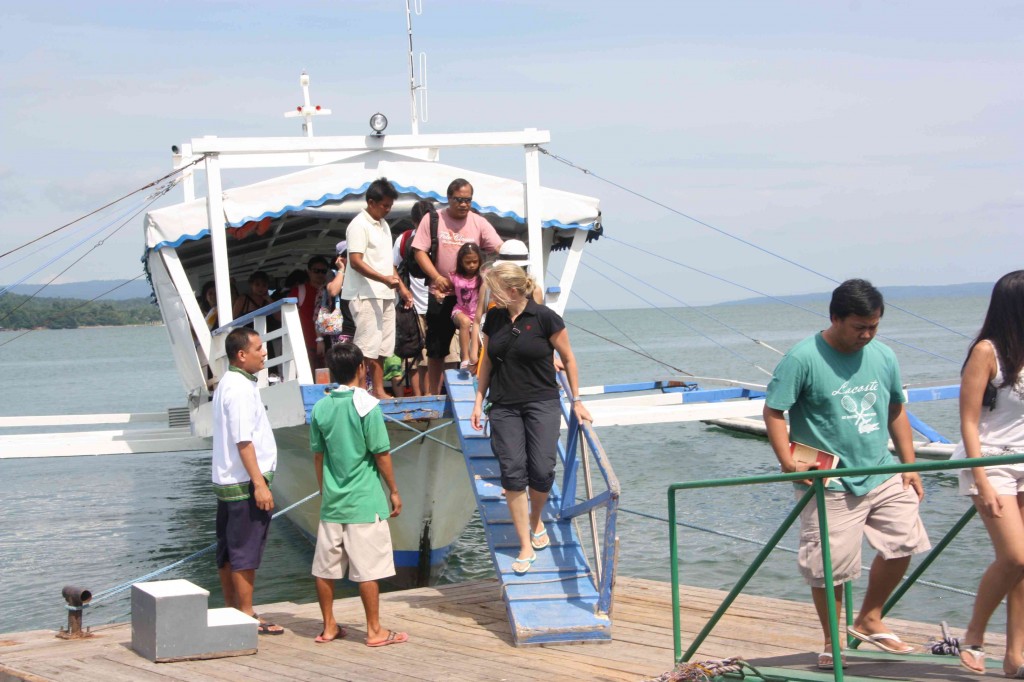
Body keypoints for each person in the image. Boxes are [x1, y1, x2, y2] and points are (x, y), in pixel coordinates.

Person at [763, 279, 930, 670]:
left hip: (881, 468)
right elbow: (774, 411)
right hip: (828, 476)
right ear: (835, 318)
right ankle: (832, 639)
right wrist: (788, 461)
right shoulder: (802, 358)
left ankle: (870, 617)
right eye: (859, 327)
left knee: (905, 541)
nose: (867, 335)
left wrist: (910, 464)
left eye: (874, 326)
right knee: (829, 567)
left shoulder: (884, 355)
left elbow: (894, 409)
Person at [469, 262, 591, 575]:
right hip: (504, 405)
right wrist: (478, 400)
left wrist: (576, 401)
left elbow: (568, 358)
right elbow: (487, 364)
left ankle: (536, 519)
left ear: (511, 290)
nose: (491, 297)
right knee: (512, 471)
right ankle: (525, 543)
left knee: (541, 469)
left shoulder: (545, 317)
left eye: (495, 290)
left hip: (542, 403)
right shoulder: (493, 319)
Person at [309, 342, 408, 647]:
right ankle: (375, 630)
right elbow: (381, 454)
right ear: (361, 368)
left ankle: (328, 627)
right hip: (364, 502)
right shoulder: (367, 406)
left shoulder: (320, 407)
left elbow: (318, 455)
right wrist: (393, 491)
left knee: (325, 569)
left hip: (333, 503)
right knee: (368, 570)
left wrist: (325, 490)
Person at [951, 271, 1024, 676]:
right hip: (989, 461)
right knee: (1015, 555)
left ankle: (1016, 656)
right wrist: (979, 478)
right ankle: (974, 636)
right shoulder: (987, 351)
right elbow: (967, 421)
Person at [211, 327, 283, 635]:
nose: (263, 353)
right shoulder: (239, 388)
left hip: (228, 482)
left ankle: (232, 609)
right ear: (242, 355)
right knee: (245, 551)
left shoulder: (229, 382)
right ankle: (246, 613)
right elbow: (244, 441)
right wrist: (259, 483)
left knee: (229, 550)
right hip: (243, 484)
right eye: (258, 349)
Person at [412, 178, 503, 394]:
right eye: (459, 200)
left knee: (480, 340)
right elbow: (419, 251)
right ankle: (433, 393)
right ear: (449, 198)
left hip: (471, 296)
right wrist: (436, 277)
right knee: (436, 348)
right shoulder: (433, 219)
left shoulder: (478, 222)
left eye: (468, 200)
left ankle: (480, 388)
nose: (463, 204)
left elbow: (499, 246)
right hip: (442, 293)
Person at [342, 177, 413, 399]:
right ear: (371, 202)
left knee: (383, 347)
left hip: (385, 294)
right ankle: (362, 390)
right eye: (385, 205)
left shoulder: (383, 225)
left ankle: (379, 390)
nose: (388, 210)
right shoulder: (358, 225)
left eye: (390, 205)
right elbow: (355, 261)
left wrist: (401, 287)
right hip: (364, 294)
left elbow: (386, 263)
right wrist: (383, 279)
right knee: (365, 347)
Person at [469, 239, 544, 368]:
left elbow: (541, 328)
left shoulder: (534, 290)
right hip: (492, 351)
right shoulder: (488, 287)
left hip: (523, 356)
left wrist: (551, 357)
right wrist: (473, 353)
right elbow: (477, 320)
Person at [291, 255, 331, 369]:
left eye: (323, 271)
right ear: (308, 272)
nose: (319, 274)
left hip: (329, 345)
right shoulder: (299, 291)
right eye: (316, 271)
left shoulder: (331, 291)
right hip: (305, 345)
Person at [450, 242, 483, 370]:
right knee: (465, 321)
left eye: (475, 262)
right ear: (461, 262)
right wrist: (438, 292)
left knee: (478, 340)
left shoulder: (482, 277)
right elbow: (446, 288)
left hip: (477, 314)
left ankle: (477, 364)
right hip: (460, 310)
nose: (471, 265)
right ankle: (465, 358)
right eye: (467, 262)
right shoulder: (455, 276)